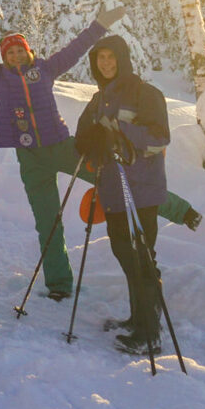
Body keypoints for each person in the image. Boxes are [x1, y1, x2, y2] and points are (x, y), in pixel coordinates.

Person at [0, 19, 203, 301]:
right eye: (10, 53)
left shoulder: (45, 69)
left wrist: (99, 26)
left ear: (29, 53)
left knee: (122, 180)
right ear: (4, 58)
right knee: (47, 222)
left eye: (20, 50)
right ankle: (59, 283)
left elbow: (76, 49)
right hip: (30, 158)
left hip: (63, 147)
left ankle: (181, 210)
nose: (16, 56)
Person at [73, 34, 170, 356]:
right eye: (100, 59)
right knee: (126, 254)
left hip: (141, 189)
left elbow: (159, 138)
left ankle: (150, 333)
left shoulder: (145, 93)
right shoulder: (100, 98)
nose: (106, 63)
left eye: (111, 57)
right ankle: (138, 319)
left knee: (141, 258)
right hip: (113, 188)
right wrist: (89, 140)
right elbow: (84, 133)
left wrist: (116, 131)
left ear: (123, 59)